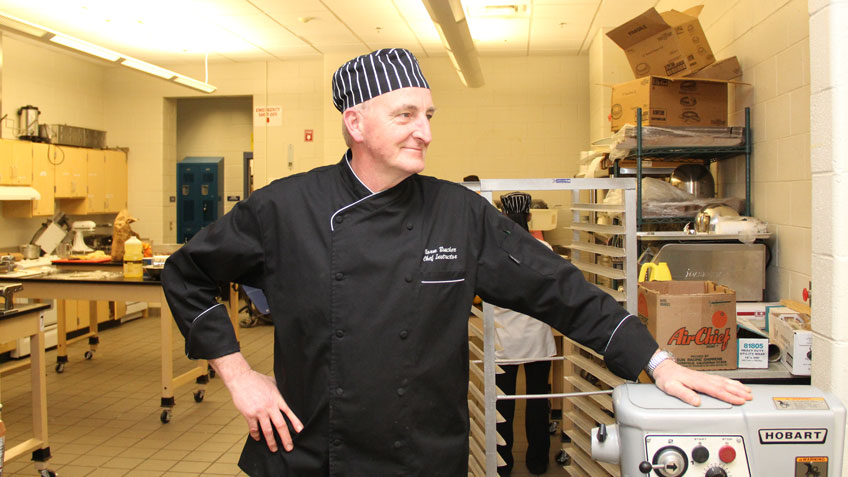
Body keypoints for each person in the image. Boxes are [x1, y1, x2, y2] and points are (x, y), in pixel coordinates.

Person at [162, 48, 752, 476]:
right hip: (315, 451)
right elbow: (185, 275)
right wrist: (239, 376)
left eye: (429, 116)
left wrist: (658, 360)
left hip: (424, 455)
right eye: (405, 115)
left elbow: (558, 290)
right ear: (355, 123)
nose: (424, 132)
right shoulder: (286, 207)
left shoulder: (458, 213)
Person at [492, 192, 556, 476]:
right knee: (538, 401)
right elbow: (555, 292)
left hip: (503, 338)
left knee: (502, 405)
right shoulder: (543, 248)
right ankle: (538, 462)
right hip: (537, 338)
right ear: (530, 216)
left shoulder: (492, 249)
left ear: (502, 216)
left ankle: (503, 463)